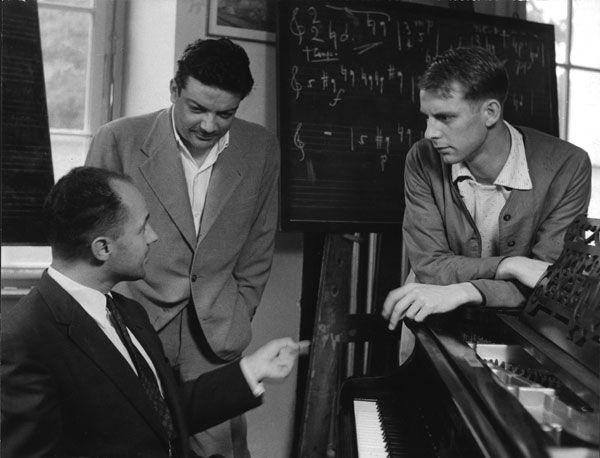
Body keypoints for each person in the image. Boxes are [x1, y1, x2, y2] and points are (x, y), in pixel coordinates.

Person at [1, 167, 307, 458]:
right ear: (103, 248)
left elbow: (160, 413)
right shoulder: (24, 339)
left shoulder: (128, 312)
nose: (153, 236)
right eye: (142, 227)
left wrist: (252, 369)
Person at [85, 38, 279, 456]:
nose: (209, 125)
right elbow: (89, 240)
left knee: (219, 449)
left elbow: (260, 243)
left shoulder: (261, 147)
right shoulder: (117, 139)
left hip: (216, 330)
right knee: (131, 443)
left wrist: (240, 309)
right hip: (132, 320)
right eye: (197, 108)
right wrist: (108, 320)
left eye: (225, 113)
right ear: (174, 90)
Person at [383, 46, 591, 329]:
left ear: (490, 112)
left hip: (526, 330)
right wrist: (511, 265)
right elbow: (430, 268)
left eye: (445, 117)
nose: (429, 133)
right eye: (427, 117)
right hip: (433, 319)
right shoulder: (422, 159)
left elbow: (547, 280)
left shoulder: (568, 165)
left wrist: (467, 290)